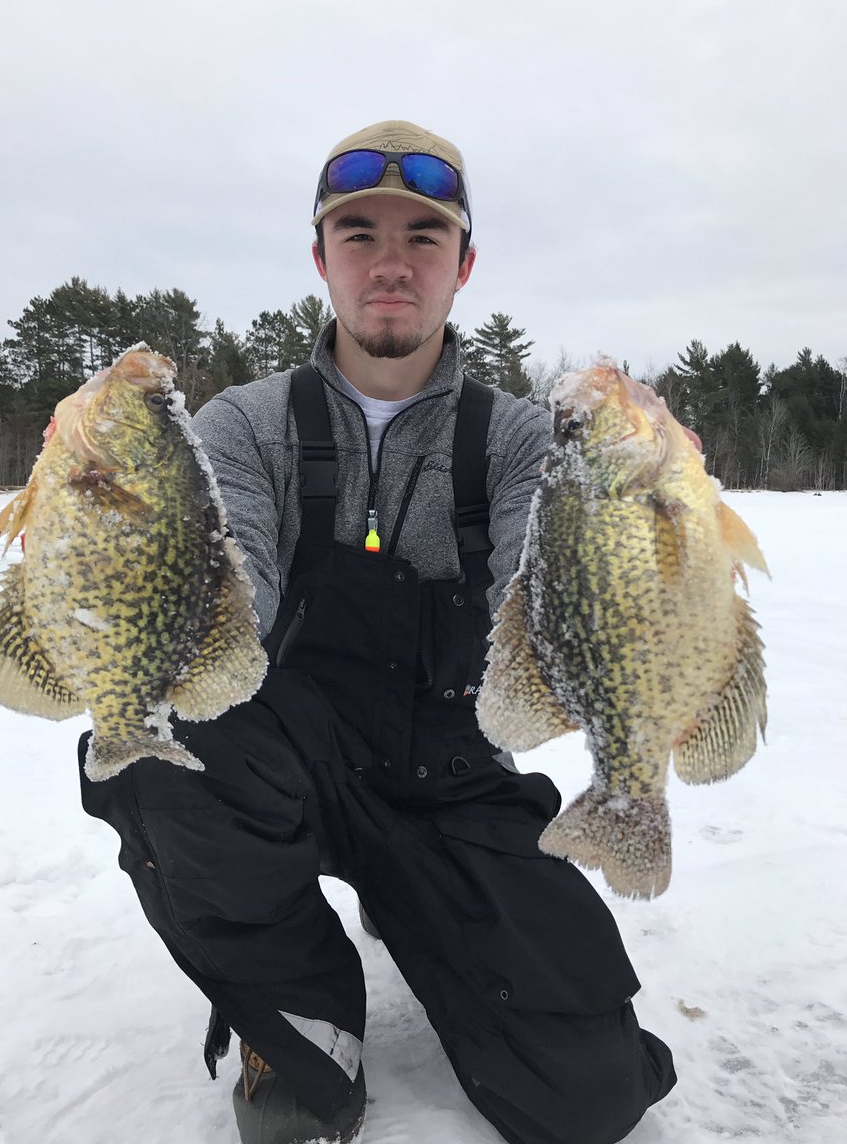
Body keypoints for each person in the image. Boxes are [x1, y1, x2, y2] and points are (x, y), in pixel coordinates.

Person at [80, 120, 677, 1144]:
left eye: (423, 238)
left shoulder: (529, 441)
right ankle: (302, 1011)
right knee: (163, 740)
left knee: (585, 1098)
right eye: (358, 235)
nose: (390, 263)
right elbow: (242, 595)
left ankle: (421, 904)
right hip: (289, 755)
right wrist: (135, 567)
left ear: (464, 266)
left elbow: (530, 633)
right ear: (321, 261)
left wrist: (644, 543)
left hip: (458, 774)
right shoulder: (241, 425)